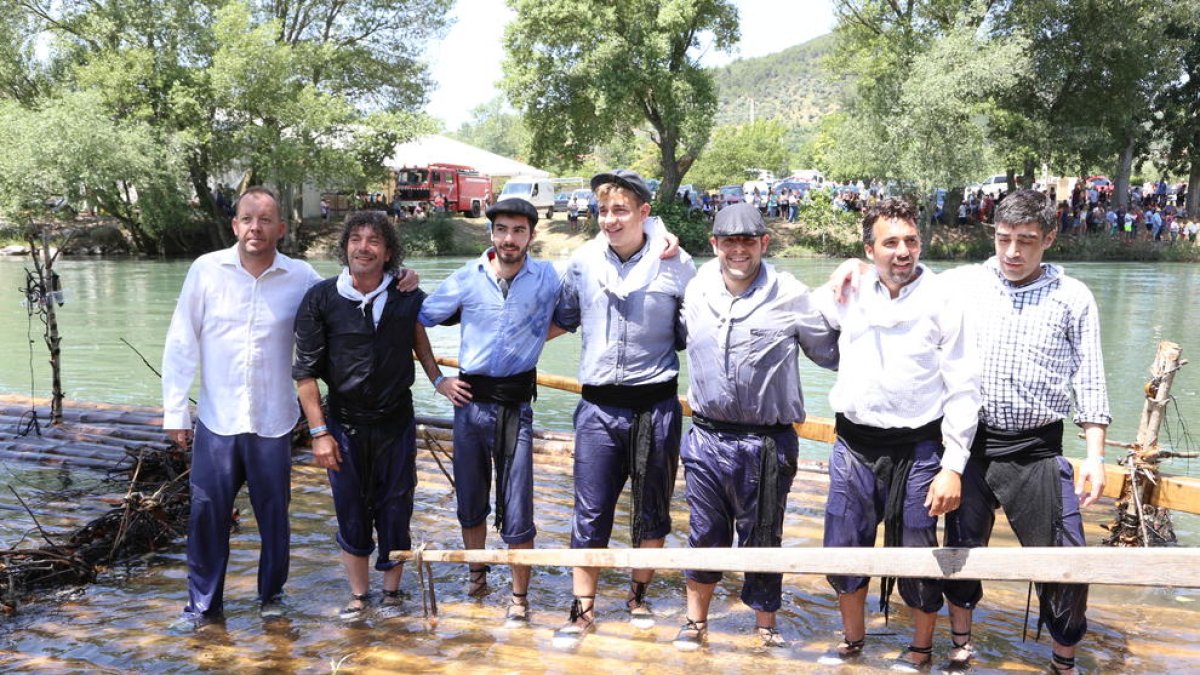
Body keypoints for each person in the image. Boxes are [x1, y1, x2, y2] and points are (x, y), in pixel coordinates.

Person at [831, 189, 1109, 674]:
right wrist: (851, 266)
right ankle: (961, 642)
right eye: (1004, 239)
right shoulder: (961, 283)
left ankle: (1065, 658)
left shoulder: (1074, 297)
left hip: (1037, 447)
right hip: (971, 446)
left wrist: (1096, 455)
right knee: (957, 553)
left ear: (1050, 239)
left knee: (1066, 557)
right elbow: (899, 269)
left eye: (1026, 241)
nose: (1013, 252)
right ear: (993, 236)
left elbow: (1090, 378)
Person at [162, 187, 418, 626]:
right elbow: (181, 340)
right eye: (247, 219)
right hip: (218, 419)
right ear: (235, 225)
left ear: (281, 228)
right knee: (207, 514)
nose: (255, 228)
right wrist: (173, 411)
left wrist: (400, 275)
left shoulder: (301, 277)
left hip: (274, 420)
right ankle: (202, 606)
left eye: (265, 220)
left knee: (274, 517)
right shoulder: (206, 271)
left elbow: (351, 288)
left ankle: (271, 597)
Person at [816, 198, 981, 670]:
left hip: (920, 446)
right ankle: (852, 641)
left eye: (911, 241)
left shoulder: (945, 298)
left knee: (918, 544)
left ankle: (921, 649)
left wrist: (953, 466)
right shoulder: (847, 289)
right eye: (890, 242)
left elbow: (965, 386)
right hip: (854, 442)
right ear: (870, 250)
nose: (903, 251)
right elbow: (801, 319)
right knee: (844, 542)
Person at [673, 203, 839, 651]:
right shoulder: (695, 286)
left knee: (764, 535)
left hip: (767, 441)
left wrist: (854, 284)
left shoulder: (791, 293)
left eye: (748, 241)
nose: (739, 250)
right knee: (703, 534)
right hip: (706, 436)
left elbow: (833, 352)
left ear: (764, 243)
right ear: (715, 245)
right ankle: (695, 623)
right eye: (730, 241)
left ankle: (765, 626)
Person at [550, 170, 696, 648]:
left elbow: (694, 333)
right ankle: (583, 609)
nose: (610, 219)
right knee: (589, 513)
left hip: (655, 404)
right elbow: (562, 319)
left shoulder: (678, 265)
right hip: (597, 408)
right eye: (604, 210)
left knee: (652, 510)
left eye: (621, 210)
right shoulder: (581, 262)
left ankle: (638, 595)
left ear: (643, 214)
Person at [418, 197, 562, 627]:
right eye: (502, 229)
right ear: (491, 233)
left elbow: (570, 316)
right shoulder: (466, 278)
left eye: (519, 231)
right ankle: (477, 577)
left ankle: (519, 598)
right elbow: (418, 316)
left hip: (517, 405)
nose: (509, 238)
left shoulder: (547, 278)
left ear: (531, 236)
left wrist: (532, 337)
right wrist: (436, 379)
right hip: (469, 403)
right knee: (471, 497)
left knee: (519, 504)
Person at [293, 211, 443, 620]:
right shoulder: (321, 298)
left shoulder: (405, 294)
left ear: (389, 252)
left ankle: (392, 594)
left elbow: (421, 338)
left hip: (396, 420)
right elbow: (305, 372)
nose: (364, 247)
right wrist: (319, 432)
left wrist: (439, 379)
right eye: (355, 239)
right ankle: (359, 596)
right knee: (350, 507)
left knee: (397, 504)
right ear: (344, 249)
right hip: (343, 424)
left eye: (374, 240)